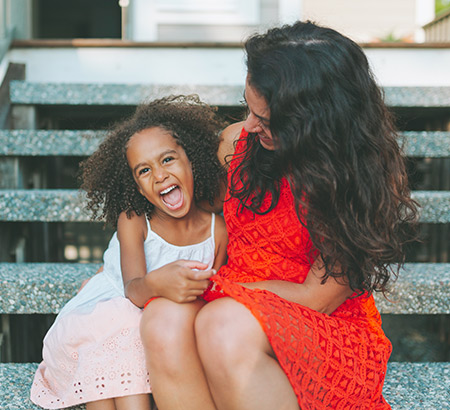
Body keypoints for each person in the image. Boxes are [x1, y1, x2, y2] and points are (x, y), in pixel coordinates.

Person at [140, 21, 418, 410]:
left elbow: (315, 298)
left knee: (221, 325)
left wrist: (220, 290)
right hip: (235, 300)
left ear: (315, 122)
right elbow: (186, 215)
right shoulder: (238, 143)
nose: (249, 126)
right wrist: (126, 272)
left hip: (322, 325)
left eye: (267, 120)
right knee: (162, 320)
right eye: (248, 109)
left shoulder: (356, 177)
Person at [30, 95, 228, 410]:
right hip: (109, 313)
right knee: (122, 349)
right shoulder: (134, 220)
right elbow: (133, 289)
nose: (159, 175)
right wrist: (158, 284)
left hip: (158, 329)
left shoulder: (216, 232)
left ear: (192, 159)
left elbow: (210, 296)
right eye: (144, 171)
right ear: (137, 187)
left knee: (134, 348)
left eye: (167, 160)